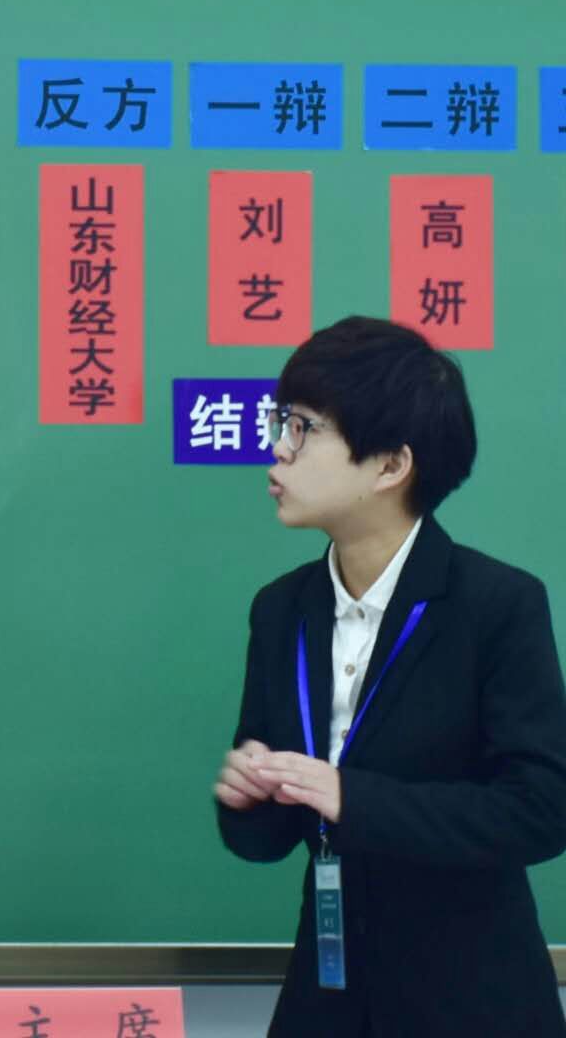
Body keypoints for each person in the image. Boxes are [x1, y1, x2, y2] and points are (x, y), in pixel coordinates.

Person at [213, 315, 566, 1036]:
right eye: (281, 423)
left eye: (302, 428)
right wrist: (251, 797)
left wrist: (353, 798)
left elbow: (541, 809)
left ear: (389, 466)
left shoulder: (497, 604)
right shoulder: (281, 610)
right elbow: (268, 838)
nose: (277, 448)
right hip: (327, 998)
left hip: (470, 1001)